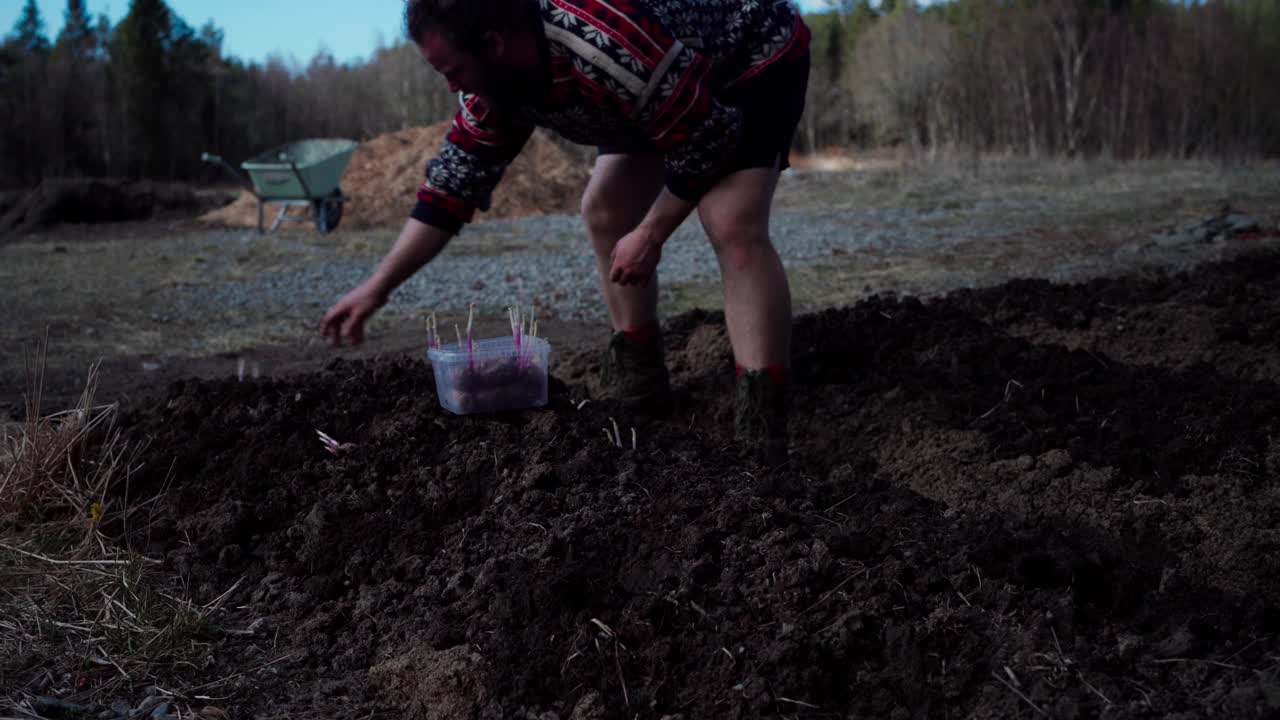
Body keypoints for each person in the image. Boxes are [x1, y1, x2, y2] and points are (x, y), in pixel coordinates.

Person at [321, 0, 811, 464]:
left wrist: (652, 233)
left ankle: (761, 421)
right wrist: (376, 289)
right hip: (659, 84)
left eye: (454, 72)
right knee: (603, 208)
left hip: (747, 59)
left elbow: (707, 139)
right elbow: (451, 189)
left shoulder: (598, 40)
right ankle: (638, 374)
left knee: (730, 221)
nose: (453, 88)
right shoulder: (498, 85)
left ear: (494, 44)